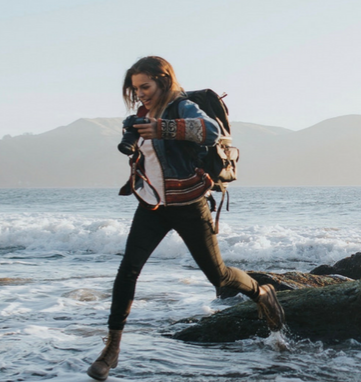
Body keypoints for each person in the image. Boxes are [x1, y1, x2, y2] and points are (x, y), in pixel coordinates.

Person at [86, 56, 285, 381]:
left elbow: (211, 131)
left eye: (145, 87)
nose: (140, 94)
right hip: (152, 204)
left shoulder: (182, 106)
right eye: (136, 89)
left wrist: (163, 128)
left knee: (219, 277)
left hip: (189, 201)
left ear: (163, 81)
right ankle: (112, 349)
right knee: (127, 271)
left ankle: (262, 292)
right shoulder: (141, 114)